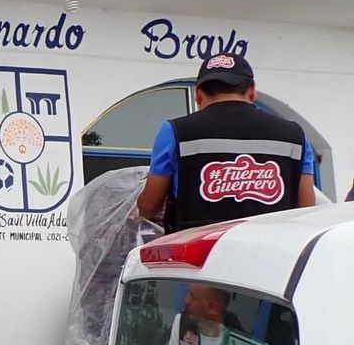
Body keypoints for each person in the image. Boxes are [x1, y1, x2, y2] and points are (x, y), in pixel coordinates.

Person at [136, 52, 317, 231]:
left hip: (200, 255)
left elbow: (150, 206)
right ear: (253, 91)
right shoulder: (295, 136)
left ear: (198, 95)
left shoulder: (175, 132)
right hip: (273, 252)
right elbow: (307, 209)